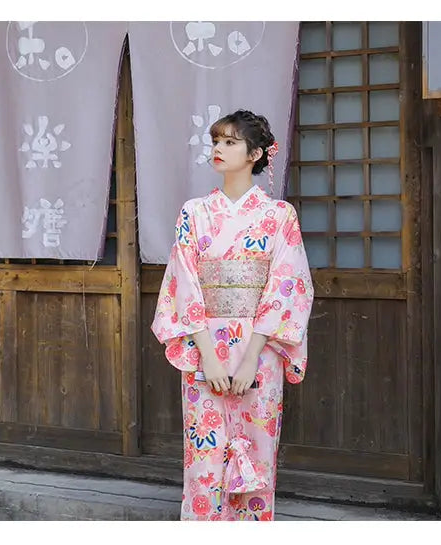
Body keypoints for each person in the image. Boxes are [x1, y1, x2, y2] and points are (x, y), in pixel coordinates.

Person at [151, 109, 314, 521]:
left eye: (230, 142)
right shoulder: (195, 213)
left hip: (260, 349)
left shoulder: (279, 216)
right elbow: (183, 281)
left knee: (257, 455)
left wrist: (251, 357)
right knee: (203, 459)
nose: (218, 149)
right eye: (216, 141)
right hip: (203, 345)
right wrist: (207, 354)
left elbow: (287, 284)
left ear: (255, 153)